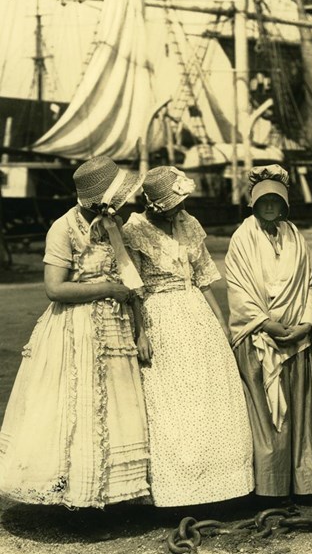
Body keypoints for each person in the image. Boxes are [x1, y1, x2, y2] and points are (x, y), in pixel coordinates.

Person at [0, 156, 150, 508]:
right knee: (74, 408)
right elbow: (55, 289)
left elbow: (130, 279)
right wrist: (107, 289)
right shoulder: (63, 228)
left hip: (115, 328)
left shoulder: (114, 225)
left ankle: (110, 493)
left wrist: (141, 328)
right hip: (75, 328)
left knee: (114, 407)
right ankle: (71, 492)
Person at [122, 166, 254, 507]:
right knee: (173, 402)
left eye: (181, 202)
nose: (179, 209)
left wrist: (221, 320)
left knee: (210, 393)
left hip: (196, 312)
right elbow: (133, 288)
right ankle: (179, 487)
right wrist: (140, 333)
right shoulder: (134, 230)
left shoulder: (189, 224)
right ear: (154, 204)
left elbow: (203, 276)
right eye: (173, 204)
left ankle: (223, 485)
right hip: (159, 314)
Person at [224, 164, 312, 499]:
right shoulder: (242, 238)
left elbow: (308, 284)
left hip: (296, 340)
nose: (270, 206)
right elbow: (238, 288)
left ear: (284, 204)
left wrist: (304, 324)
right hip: (261, 338)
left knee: (300, 415)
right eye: (264, 200)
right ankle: (270, 487)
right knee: (267, 418)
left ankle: (304, 483)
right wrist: (266, 323)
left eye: (276, 201)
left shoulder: (295, 237)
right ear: (253, 203)